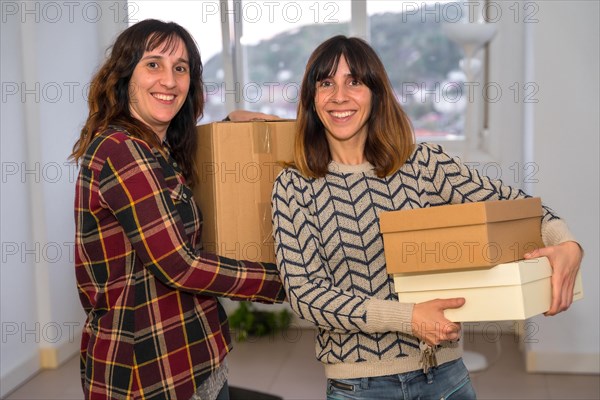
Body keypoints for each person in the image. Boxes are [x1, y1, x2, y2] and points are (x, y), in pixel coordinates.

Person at [271, 35, 583, 399]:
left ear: (376, 93)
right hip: (359, 385)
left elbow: (517, 206)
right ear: (312, 98)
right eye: (326, 83)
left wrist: (566, 242)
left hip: (445, 375)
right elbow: (306, 294)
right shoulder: (294, 186)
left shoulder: (425, 165)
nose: (339, 95)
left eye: (354, 81)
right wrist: (409, 317)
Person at [70, 19, 285, 400]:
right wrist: (283, 282)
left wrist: (230, 127)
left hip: (196, 357)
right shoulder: (121, 151)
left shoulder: (155, 150)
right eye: (153, 64)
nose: (169, 81)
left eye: (180, 68)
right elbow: (180, 265)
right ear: (124, 75)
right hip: (150, 375)